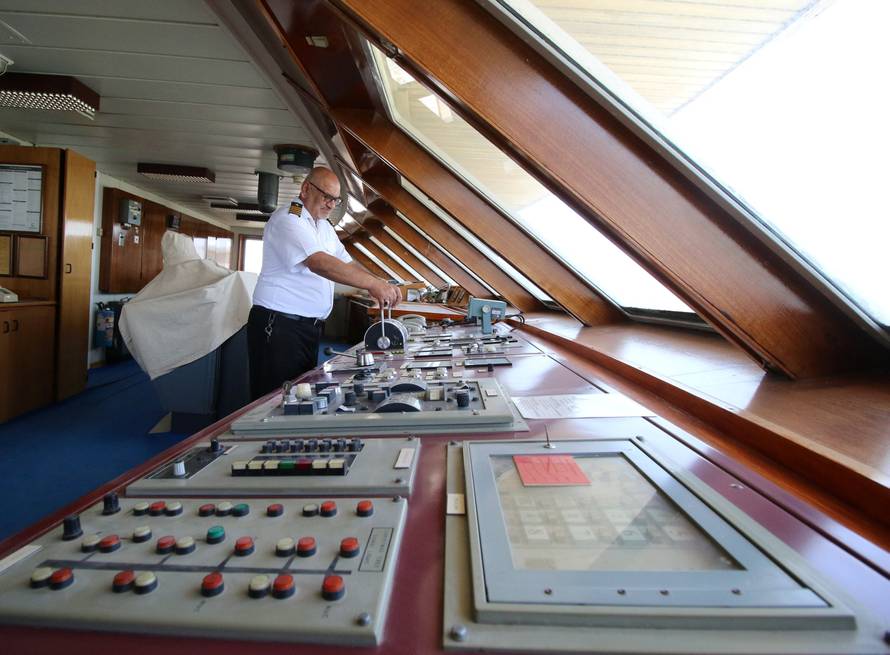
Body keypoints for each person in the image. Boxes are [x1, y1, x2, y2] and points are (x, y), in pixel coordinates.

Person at [247, 166, 401, 400]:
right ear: (306, 189)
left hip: (306, 328)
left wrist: (380, 283)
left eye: (336, 200)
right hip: (279, 327)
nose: (331, 204)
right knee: (275, 401)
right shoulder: (290, 218)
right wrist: (372, 285)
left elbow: (346, 263)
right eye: (327, 196)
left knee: (300, 398)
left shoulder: (323, 227)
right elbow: (319, 262)